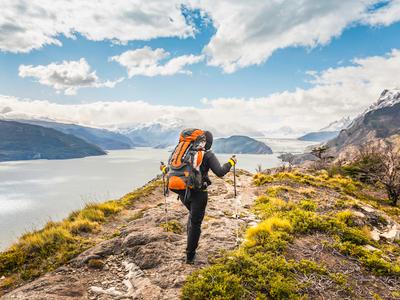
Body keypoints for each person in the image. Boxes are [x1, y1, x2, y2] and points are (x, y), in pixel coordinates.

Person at [161, 131, 237, 264]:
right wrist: (231, 162)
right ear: (208, 142)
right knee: (195, 223)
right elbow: (220, 172)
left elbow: (172, 169)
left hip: (183, 191)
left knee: (192, 217)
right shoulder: (207, 154)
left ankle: (190, 245)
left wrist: (163, 169)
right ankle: (190, 256)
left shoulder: (184, 153)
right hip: (199, 193)